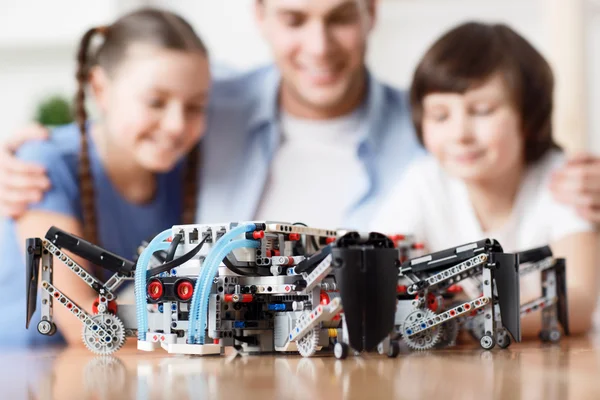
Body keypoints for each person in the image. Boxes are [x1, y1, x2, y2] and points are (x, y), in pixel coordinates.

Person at [2, 1, 600, 230]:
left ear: (371, 14)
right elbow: (111, 129)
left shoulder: (431, 128)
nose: (319, 46)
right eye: (294, 19)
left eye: (339, 16)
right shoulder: (209, 104)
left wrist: (563, 176)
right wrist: (22, 152)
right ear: (260, 17)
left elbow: (506, 171)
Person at [371, 22, 599, 336]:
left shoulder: (562, 181)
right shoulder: (424, 183)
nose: (460, 134)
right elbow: (376, 267)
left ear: (529, 118)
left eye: (482, 110)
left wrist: (471, 317)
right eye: (440, 116)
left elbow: (578, 302)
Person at [0, 8, 210, 347]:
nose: (176, 125)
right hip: (25, 375)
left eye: (196, 106)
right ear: (100, 89)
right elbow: (84, 324)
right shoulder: (42, 164)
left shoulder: (182, 173)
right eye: (156, 102)